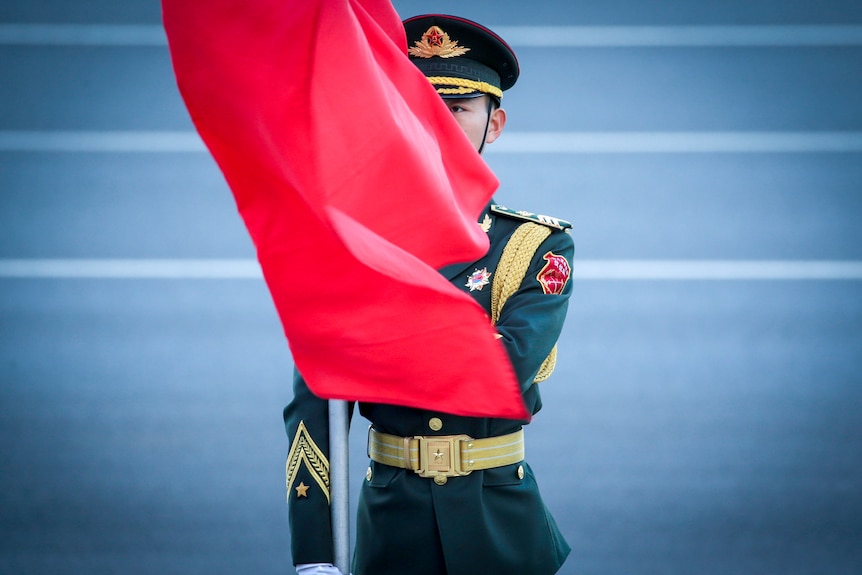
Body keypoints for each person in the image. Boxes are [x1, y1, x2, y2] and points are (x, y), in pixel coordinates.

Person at [284, 14, 574, 575]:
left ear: (495, 124)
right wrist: (315, 556)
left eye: (458, 108)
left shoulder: (536, 244)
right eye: (419, 104)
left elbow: (501, 376)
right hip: (392, 530)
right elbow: (313, 410)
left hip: (501, 532)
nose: (438, 123)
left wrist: (379, 341)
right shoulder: (351, 243)